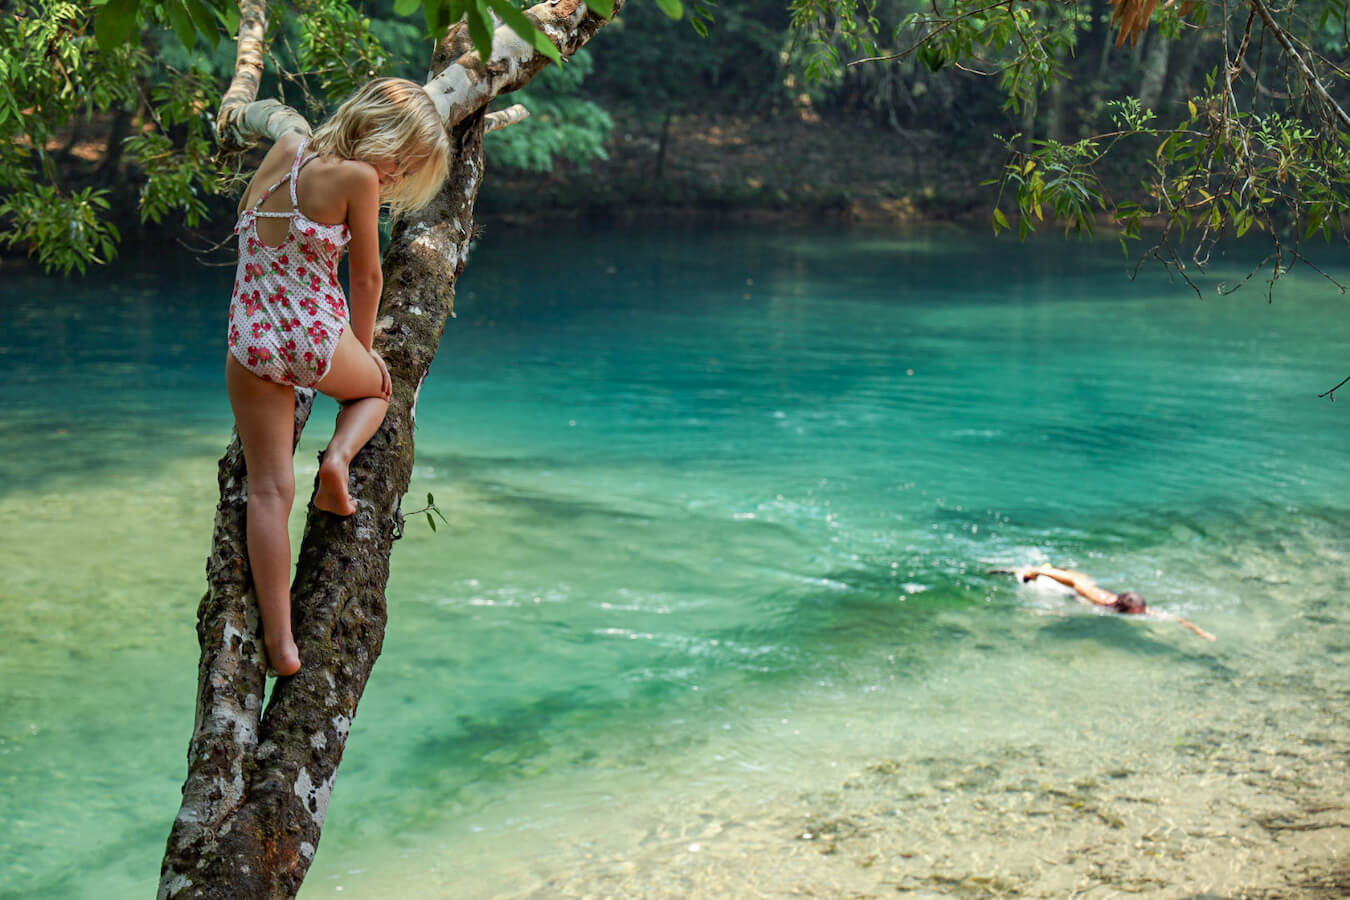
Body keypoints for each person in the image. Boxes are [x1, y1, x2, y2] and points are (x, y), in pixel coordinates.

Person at [226, 78, 451, 675]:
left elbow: (277, 121)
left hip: (250, 338)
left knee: (269, 490)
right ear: (384, 140)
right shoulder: (359, 178)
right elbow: (368, 279)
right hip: (312, 339)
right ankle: (337, 463)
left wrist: (251, 110)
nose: (397, 177)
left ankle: (281, 644)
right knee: (378, 390)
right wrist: (365, 345)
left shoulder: (288, 149)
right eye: (401, 163)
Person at [1002, 563, 1216, 640]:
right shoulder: (1099, 598)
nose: (1142, 614)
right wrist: (1039, 572)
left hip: (1086, 586)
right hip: (1077, 590)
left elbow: (1175, 618)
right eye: (1138, 612)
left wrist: (1200, 632)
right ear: (1123, 607)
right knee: (1059, 580)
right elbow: (1075, 581)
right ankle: (1032, 568)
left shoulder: (1138, 609)